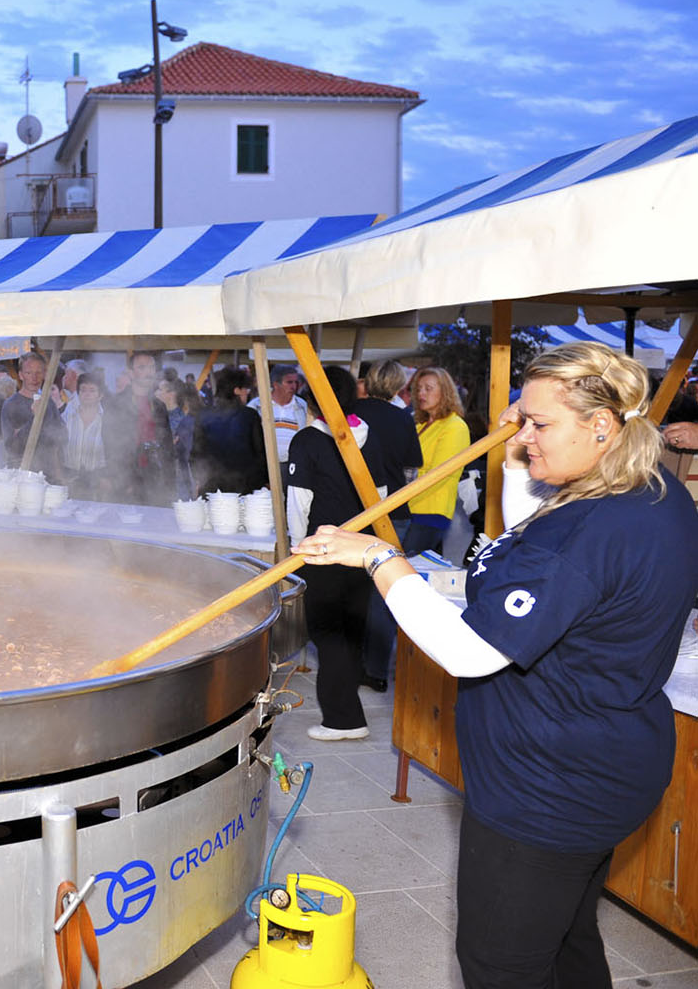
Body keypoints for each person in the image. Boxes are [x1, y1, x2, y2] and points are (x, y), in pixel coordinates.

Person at [294, 342, 698, 989]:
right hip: (606, 765)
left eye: (539, 424)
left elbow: (467, 649)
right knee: (567, 941)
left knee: (499, 965)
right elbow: (532, 554)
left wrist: (378, 559)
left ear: (602, 424)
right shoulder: (648, 489)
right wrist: (516, 466)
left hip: (547, 788)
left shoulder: (589, 529)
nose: (521, 432)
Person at [285, 366, 380, 741]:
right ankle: (346, 706)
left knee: (327, 633)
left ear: (312, 400)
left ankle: (343, 719)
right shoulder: (373, 436)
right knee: (352, 629)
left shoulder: (307, 439)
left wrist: (298, 548)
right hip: (366, 549)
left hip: (323, 548)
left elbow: (299, 501)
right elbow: (386, 492)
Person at [352, 358, 424, 692]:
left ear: (368, 381)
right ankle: (377, 671)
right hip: (395, 512)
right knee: (384, 592)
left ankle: (349, 661)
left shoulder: (351, 410)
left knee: (352, 589)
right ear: (398, 386)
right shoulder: (403, 418)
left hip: (355, 510)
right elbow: (412, 471)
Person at [406, 366, 471, 555]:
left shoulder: (455, 426)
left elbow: (440, 474)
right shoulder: (419, 424)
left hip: (430, 511)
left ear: (445, 391)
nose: (421, 394)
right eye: (418, 389)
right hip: (408, 508)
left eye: (428, 388)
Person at [103, 350, 174, 505]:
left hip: (156, 479)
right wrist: (121, 480)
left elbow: (167, 446)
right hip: (126, 482)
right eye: (142, 367)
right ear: (131, 373)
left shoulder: (159, 405)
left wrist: (169, 482)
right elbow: (109, 445)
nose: (148, 372)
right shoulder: (116, 404)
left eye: (151, 367)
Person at [191, 366, 267, 496]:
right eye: (245, 389)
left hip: (212, 484)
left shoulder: (203, 415)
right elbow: (260, 453)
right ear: (236, 390)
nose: (247, 393)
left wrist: (199, 479)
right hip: (246, 485)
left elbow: (196, 453)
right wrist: (264, 480)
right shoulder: (250, 415)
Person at [0, 351, 66, 478]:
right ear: (20, 375)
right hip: (22, 476)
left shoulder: (48, 402)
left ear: (44, 374)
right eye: (29, 373)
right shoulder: (11, 405)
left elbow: (62, 437)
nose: (34, 378)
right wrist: (35, 419)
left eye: (38, 372)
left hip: (49, 473)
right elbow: (12, 448)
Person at [61, 372, 109, 500]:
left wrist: (107, 478)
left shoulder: (107, 419)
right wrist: (60, 475)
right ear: (78, 393)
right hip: (69, 478)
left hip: (97, 481)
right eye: (83, 390)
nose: (87, 394)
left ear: (100, 395)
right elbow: (55, 444)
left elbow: (115, 452)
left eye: (92, 390)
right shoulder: (67, 416)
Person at [248, 364, 309, 463]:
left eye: (296, 382)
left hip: (292, 463)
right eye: (289, 382)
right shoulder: (256, 405)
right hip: (263, 464)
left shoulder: (303, 406)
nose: (294, 386)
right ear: (276, 384)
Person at [156, 377, 200, 501]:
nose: (156, 393)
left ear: (171, 394)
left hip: (180, 473)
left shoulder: (182, 420)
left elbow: (186, 452)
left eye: (160, 390)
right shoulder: (159, 415)